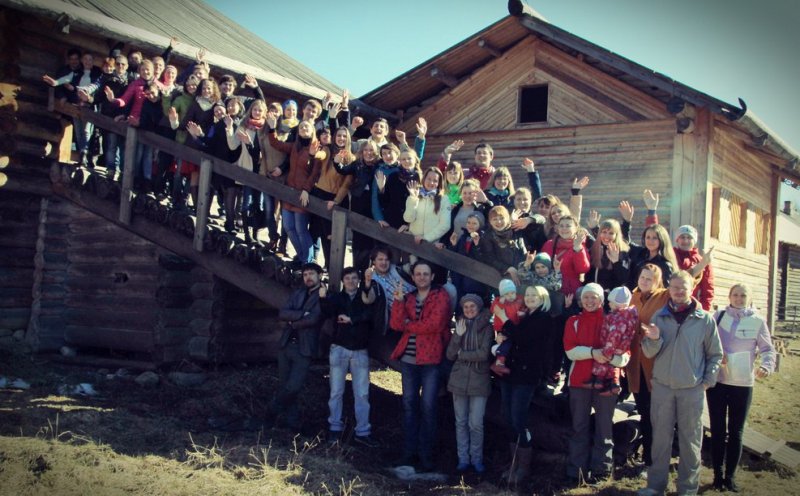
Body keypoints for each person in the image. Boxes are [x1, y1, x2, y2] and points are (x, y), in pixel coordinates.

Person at [638, 271, 723, 496]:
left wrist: (707, 382)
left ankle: (687, 489)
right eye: (674, 287)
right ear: (669, 289)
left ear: (692, 288)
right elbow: (648, 352)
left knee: (690, 441)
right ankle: (656, 486)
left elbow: (715, 354)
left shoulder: (704, 320)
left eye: (683, 287)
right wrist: (654, 339)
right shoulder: (659, 316)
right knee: (660, 440)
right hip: (662, 388)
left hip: (692, 390)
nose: (678, 291)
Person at [707, 284, 776, 492]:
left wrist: (766, 366)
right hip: (718, 382)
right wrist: (716, 355)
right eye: (735, 295)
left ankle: (730, 477)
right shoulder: (719, 316)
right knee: (717, 430)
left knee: (736, 432)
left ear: (749, 298)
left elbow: (767, 349)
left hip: (743, 384)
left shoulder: (757, 321)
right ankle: (717, 475)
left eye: (743, 295)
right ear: (729, 296)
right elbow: (706, 342)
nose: (738, 298)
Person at [564, 283, 630, 484]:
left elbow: (625, 354)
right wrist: (593, 353)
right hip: (579, 381)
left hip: (606, 382)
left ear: (602, 300)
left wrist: (611, 358)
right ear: (580, 300)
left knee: (604, 427)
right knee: (579, 427)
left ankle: (601, 470)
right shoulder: (574, 321)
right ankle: (576, 471)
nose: (590, 301)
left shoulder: (613, 320)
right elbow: (570, 350)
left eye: (594, 297)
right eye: (586, 297)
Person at [389, 260, 452, 472]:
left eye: (426, 274)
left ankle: (426, 455)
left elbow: (435, 324)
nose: (422, 277)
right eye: (418, 274)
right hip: (409, 360)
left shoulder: (441, 296)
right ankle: (408, 453)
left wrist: (409, 325)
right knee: (409, 405)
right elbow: (396, 324)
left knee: (428, 406)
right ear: (413, 277)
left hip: (431, 360)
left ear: (432, 276)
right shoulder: (407, 297)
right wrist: (398, 303)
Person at [492, 285, 554, 485]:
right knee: (507, 416)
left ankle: (523, 467)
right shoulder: (525, 316)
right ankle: (514, 463)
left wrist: (505, 319)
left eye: (534, 295)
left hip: (526, 375)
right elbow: (513, 336)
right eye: (527, 295)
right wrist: (502, 334)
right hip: (512, 372)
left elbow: (523, 337)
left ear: (543, 298)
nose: (530, 297)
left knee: (518, 419)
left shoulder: (543, 319)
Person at [319, 267, 379, 448]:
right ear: (343, 281)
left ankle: (363, 431)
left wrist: (352, 319)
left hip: (360, 349)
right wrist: (322, 298)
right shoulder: (337, 298)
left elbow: (370, 314)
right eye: (348, 278)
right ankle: (334, 428)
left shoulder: (365, 297)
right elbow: (327, 312)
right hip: (339, 347)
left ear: (358, 280)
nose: (351, 281)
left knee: (362, 393)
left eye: (354, 278)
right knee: (336, 391)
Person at [267, 262, 323, 433]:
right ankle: (292, 423)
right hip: (286, 345)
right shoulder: (298, 293)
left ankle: (271, 411)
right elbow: (283, 313)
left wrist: (294, 322)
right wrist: (301, 315)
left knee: (293, 386)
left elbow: (315, 319)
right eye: (305, 275)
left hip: (304, 348)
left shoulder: (323, 295)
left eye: (312, 274)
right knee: (285, 385)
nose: (308, 277)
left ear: (320, 276)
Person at [626, 263, 670, 473]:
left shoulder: (664, 297)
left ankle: (658, 460)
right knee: (645, 411)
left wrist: (702, 265)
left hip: (656, 365)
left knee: (658, 415)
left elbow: (686, 285)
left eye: (649, 279)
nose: (644, 281)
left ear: (658, 282)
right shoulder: (632, 297)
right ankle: (648, 458)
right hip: (635, 366)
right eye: (642, 277)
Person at [446, 294, 493, 474]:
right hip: (459, 378)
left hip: (479, 379)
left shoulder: (487, 328)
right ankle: (463, 459)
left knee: (476, 423)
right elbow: (450, 354)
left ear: (479, 308)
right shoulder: (460, 325)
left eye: (472, 306)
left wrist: (462, 354)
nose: (469, 310)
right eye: (466, 307)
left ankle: (477, 459)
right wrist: (458, 336)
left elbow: (483, 354)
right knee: (460, 422)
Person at [587, 286, 638, 394]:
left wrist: (607, 349)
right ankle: (612, 384)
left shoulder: (619, 318)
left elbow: (615, 335)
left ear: (618, 304)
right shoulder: (628, 316)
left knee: (604, 363)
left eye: (611, 302)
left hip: (612, 347)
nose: (609, 304)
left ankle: (599, 380)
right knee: (612, 366)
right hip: (621, 347)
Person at [673, 225, 715, 312]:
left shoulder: (702, 261)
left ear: (694, 241)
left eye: (689, 237)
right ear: (677, 239)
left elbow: (707, 289)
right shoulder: (670, 256)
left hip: (691, 307)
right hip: (670, 304)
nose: (685, 241)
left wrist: (703, 311)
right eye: (682, 237)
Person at [489, 278, 524, 376]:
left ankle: (499, 361)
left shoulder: (520, 299)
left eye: (512, 293)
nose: (510, 296)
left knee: (511, 343)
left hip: (514, 326)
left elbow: (524, 308)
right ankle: (499, 362)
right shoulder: (499, 302)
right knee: (507, 343)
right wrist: (500, 302)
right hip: (502, 328)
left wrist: (523, 313)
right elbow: (493, 309)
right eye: (506, 294)